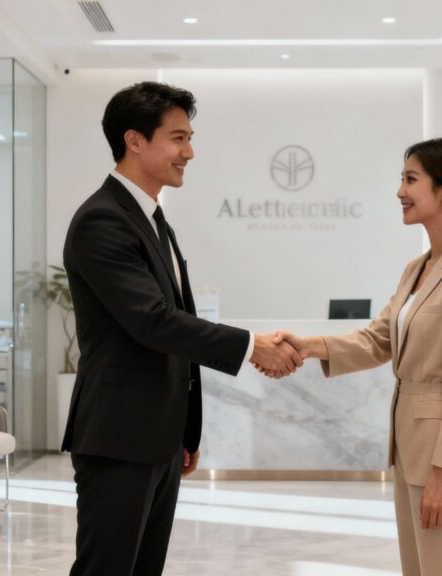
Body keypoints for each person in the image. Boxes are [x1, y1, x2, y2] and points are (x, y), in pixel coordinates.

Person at [61, 81, 302, 576]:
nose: (189, 152)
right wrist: (252, 345)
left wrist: (184, 429)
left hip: (158, 435)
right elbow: (153, 322)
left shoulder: (152, 219)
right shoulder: (102, 220)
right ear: (134, 140)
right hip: (119, 436)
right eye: (177, 138)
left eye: (189, 138)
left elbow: (176, 326)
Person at [269, 138, 442, 576]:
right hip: (411, 451)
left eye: (410, 179)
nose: (399, 190)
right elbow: (378, 338)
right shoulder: (417, 267)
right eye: (401, 178)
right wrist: (308, 347)